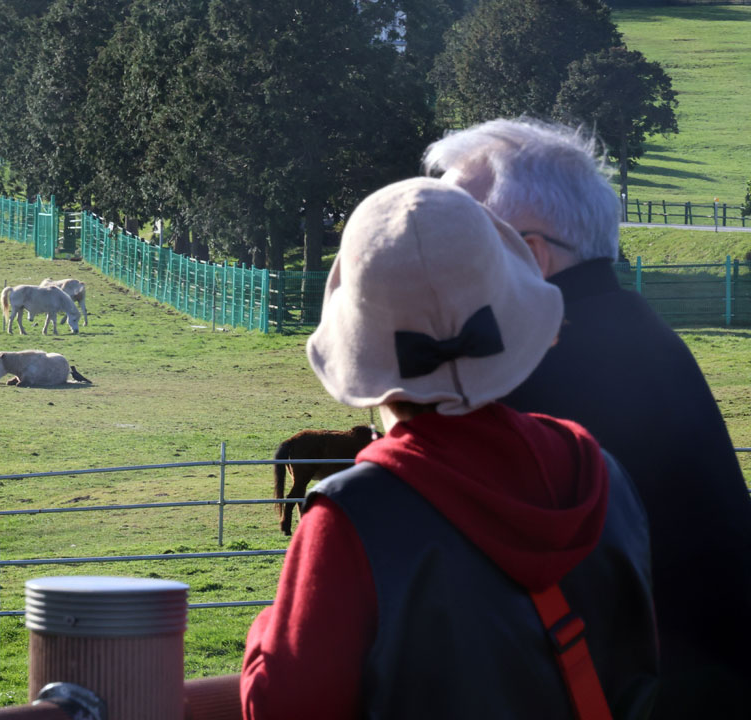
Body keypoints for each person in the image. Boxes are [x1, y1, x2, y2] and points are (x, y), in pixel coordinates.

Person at [241, 177, 658, 719]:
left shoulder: (351, 518)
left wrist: (268, 630)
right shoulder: (603, 476)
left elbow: (283, 708)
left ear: (357, 341)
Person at [424, 118, 751, 715]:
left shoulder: (530, 373)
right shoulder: (638, 334)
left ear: (531, 255)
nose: (429, 254)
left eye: (454, 234)